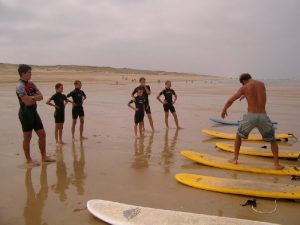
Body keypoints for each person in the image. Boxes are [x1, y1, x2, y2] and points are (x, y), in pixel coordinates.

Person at [221, 73, 284, 170]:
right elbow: (258, 95)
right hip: (263, 116)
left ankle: (235, 159)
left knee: (238, 135)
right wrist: (246, 95)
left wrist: (224, 109)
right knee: (272, 140)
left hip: (250, 116)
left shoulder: (245, 87)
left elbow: (231, 100)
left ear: (243, 81)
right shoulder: (262, 84)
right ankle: (276, 164)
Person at [16, 64, 55, 166]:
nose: (31, 74)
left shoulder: (31, 83)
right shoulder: (20, 86)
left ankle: (44, 157)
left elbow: (41, 96)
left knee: (42, 134)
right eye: (29, 72)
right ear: (23, 73)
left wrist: (32, 98)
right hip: (25, 114)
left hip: (34, 113)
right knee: (27, 137)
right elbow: (27, 103)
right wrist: (34, 98)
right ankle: (28, 160)